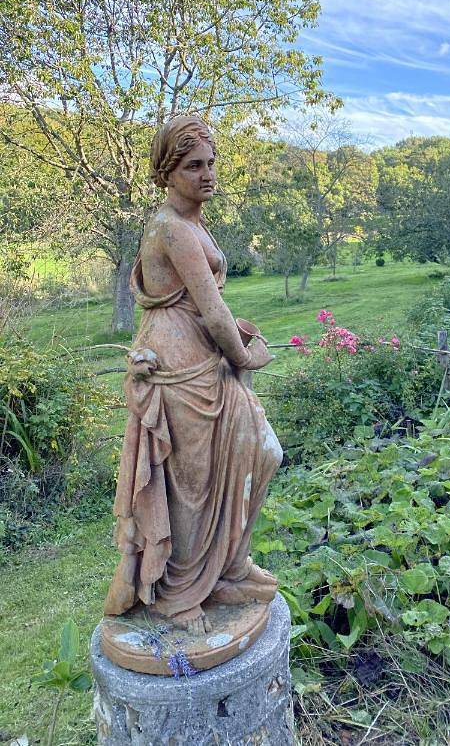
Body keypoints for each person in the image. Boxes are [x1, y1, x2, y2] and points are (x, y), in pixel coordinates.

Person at [104, 116, 282, 636]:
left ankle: (228, 566)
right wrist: (245, 356)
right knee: (192, 484)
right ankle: (178, 592)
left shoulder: (194, 222)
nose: (207, 175)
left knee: (261, 454)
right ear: (168, 173)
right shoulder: (172, 229)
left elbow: (209, 305)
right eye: (193, 166)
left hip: (204, 355)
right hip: (181, 371)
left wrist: (234, 336)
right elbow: (209, 307)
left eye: (210, 164)